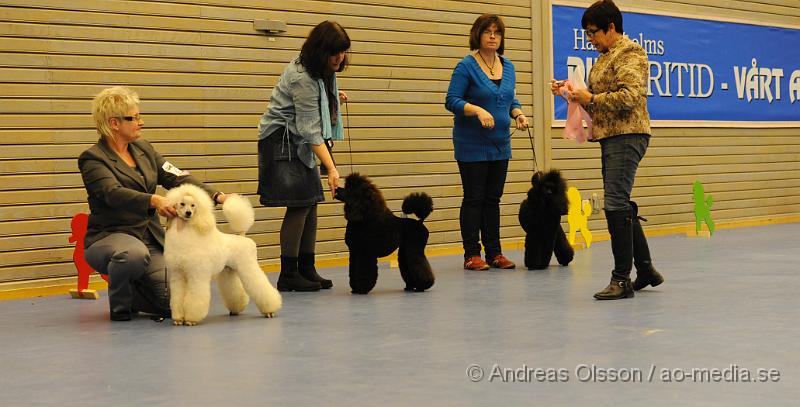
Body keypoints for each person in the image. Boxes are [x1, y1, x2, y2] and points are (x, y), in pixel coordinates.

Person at [79, 86, 226, 321]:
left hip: (151, 238)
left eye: (139, 116)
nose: (141, 122)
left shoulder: (144, 149)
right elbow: (112, 193)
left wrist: (215, 195)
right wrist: (154, 200)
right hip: (111, 236)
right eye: (134, 117)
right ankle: (121, 305)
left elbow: (176, 176)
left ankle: (135, 286)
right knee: (132, 255)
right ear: (114, 123)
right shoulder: (93, 159)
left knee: (174, 302)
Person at [551, 0, 663, 300]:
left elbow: (627, 97)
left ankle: (621, 279)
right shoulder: (604, 57)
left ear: (611, 27)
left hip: (628, 134)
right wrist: (570, 91)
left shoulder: (632, 54)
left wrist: (590, 97)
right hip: (611, 136)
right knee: (621, 203)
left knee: (614, 204)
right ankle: (647, 270)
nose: (590, 38)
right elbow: (596, 96)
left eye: (593, 32)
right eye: (587, 33)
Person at [257, 20, 349, 291]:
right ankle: (288, 274)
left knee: (311, 201)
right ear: (321, 51)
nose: (340, 58)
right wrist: (332, 168)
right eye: (335, 53)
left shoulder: (321, 71)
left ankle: (307, 267)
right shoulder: (303, 77)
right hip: (281, 140)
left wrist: (331, 99)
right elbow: (310, 131)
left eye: (343, 52)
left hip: (299, 137)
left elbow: (311, 120)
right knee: (299, 203)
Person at [445, 14, 529, 271]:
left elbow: (509, 100)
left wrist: (519, 113)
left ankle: (495, 252)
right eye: (487, 31)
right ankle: (472, 254)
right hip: (471, 144)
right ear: (478, 35)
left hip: (500, 143)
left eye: (497, 32)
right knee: (474, 198)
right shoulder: (466, 66)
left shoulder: (509, 67)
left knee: (493, 199)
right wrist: (477, 110)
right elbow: (452, 100)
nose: (493, 36)